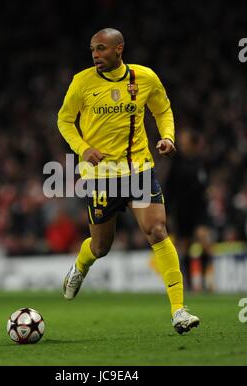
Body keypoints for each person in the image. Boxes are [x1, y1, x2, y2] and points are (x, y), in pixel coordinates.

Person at [57, 28, 200, 334]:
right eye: (92, 49)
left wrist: (168, 137)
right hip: (101, 175)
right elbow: (64, 120)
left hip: (138, 169)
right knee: (101, 245)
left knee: (157, 230)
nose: (95, 54)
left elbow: (162, 109)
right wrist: (83, 149)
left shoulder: (144, 77)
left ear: (119, 49)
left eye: (101, 49)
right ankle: (81, 265)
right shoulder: (82, 82)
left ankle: (179, 310)